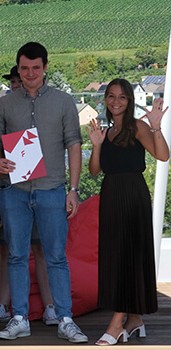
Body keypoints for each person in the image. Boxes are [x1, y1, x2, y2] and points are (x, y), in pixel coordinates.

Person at [0, 42, 87, 343]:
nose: (30, 73)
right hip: (14, 191)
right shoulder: (5, 104)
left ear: (45, 67)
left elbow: (74, 145)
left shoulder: (64, 102)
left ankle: (65, 319)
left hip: (52, 189)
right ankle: (19, 318)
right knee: (16, 256)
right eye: (24, 68)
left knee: (57, 257)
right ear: (18, 69)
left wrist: (73, 189)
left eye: (35, 68)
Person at [86, 79, 168, 345]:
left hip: (132, 196)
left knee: (127, 255)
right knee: (118, 256)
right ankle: (134, 319)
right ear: (106, 100)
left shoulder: (138, 127)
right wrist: (96, 145)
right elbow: (94, 171)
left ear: (129, 101)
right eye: (111, 96)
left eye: (122, 97)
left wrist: (156, 127)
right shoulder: (107, 132)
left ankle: (115, 324)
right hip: (111, 196)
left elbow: (163, 156)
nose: (116, 101)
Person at [0, 65, 57, 326]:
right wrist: (1, 192)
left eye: (19, 81)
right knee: (8, 250)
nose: (17, 85)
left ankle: (50, 306)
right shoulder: (4, 109)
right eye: (13, 82)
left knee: (41, 249)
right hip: (12, 190)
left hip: (42, 188)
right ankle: (4, 305)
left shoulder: (45, 108)